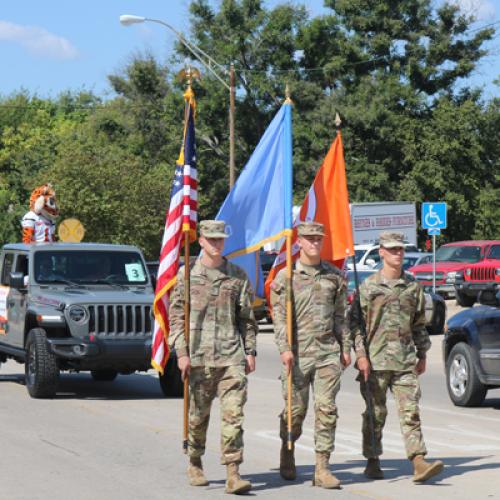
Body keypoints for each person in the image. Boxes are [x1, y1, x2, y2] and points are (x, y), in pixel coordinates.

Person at [270, 221, 365, 489]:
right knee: (295, 413)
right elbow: (278, 318)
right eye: (309, 238)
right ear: (299, 241)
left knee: (327, 410)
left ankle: (322, 468)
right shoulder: (285, 277)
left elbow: (340, 317)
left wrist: (345, 348)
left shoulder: (334, 276)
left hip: (326, 354)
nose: (314, 243)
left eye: (318, 239)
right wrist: (284, 349)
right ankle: (287, 449)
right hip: (297, 354)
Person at [168, 220, 258, 495]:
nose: (217, 244)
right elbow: (176, 319)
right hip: (199, 357)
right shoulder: (187, 276)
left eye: (220, 239)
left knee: (234, 417)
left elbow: (247, 319)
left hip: (231, 356)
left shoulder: (237, 276)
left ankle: (233, 472)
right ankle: (195, 461)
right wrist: (181, 353)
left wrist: (251, 350)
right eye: (212, 239)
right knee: (198, 418)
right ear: (201, 241)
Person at [350, 231, 444, 482]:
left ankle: (418, 461)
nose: (398, 253)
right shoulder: (368, 287)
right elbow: (355, 325)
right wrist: (360, 356)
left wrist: (422, 353)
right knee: (375, 414)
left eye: (400, 249)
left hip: (404, 361)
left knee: (410, 411)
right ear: (381, 252)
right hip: (375, 361)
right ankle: (372, 459)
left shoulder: (412, 286)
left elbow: (418, 324)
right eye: (392, 249)